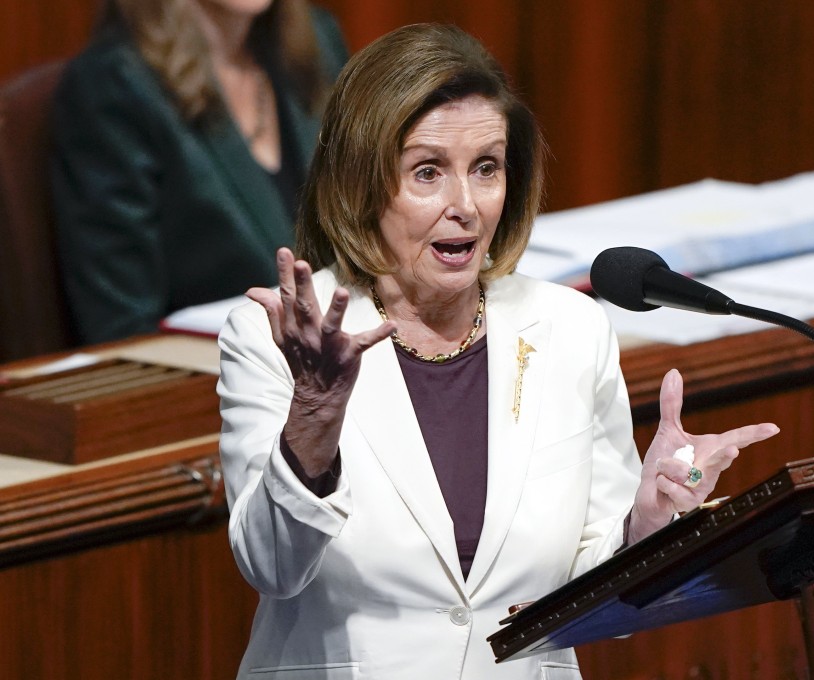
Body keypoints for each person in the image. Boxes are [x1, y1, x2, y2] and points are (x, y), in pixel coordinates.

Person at [217, 23, 780, 680]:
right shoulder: (275, 337)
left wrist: (647, 525)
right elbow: (273, 568)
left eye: (486, 168)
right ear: (359, 184)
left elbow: (597, 594)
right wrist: (314, 416)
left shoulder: (570, 328)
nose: (466, 205)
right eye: (427, 172)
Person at [50, 0, 348, 344]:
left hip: (348, 354)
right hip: (210, 368)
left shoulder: (319, 44)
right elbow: (122, 324)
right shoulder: (113, 84)